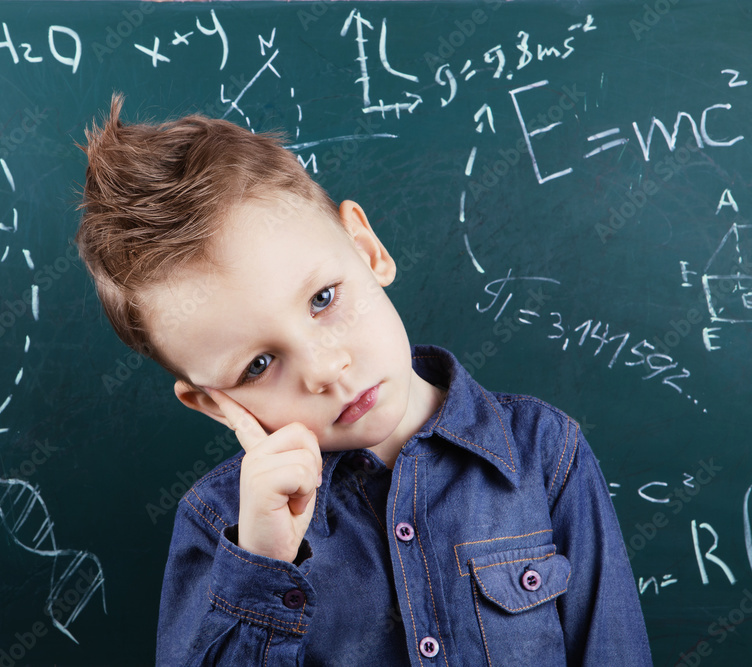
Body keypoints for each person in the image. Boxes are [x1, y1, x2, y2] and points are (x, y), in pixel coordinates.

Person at [75, 94, 652, 666]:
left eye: (323, 299)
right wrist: (263, 562)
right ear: (211, 402)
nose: (326, 369)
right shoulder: (220, 527)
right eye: (258, 365)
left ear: (366, 247)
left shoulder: (545, 454)